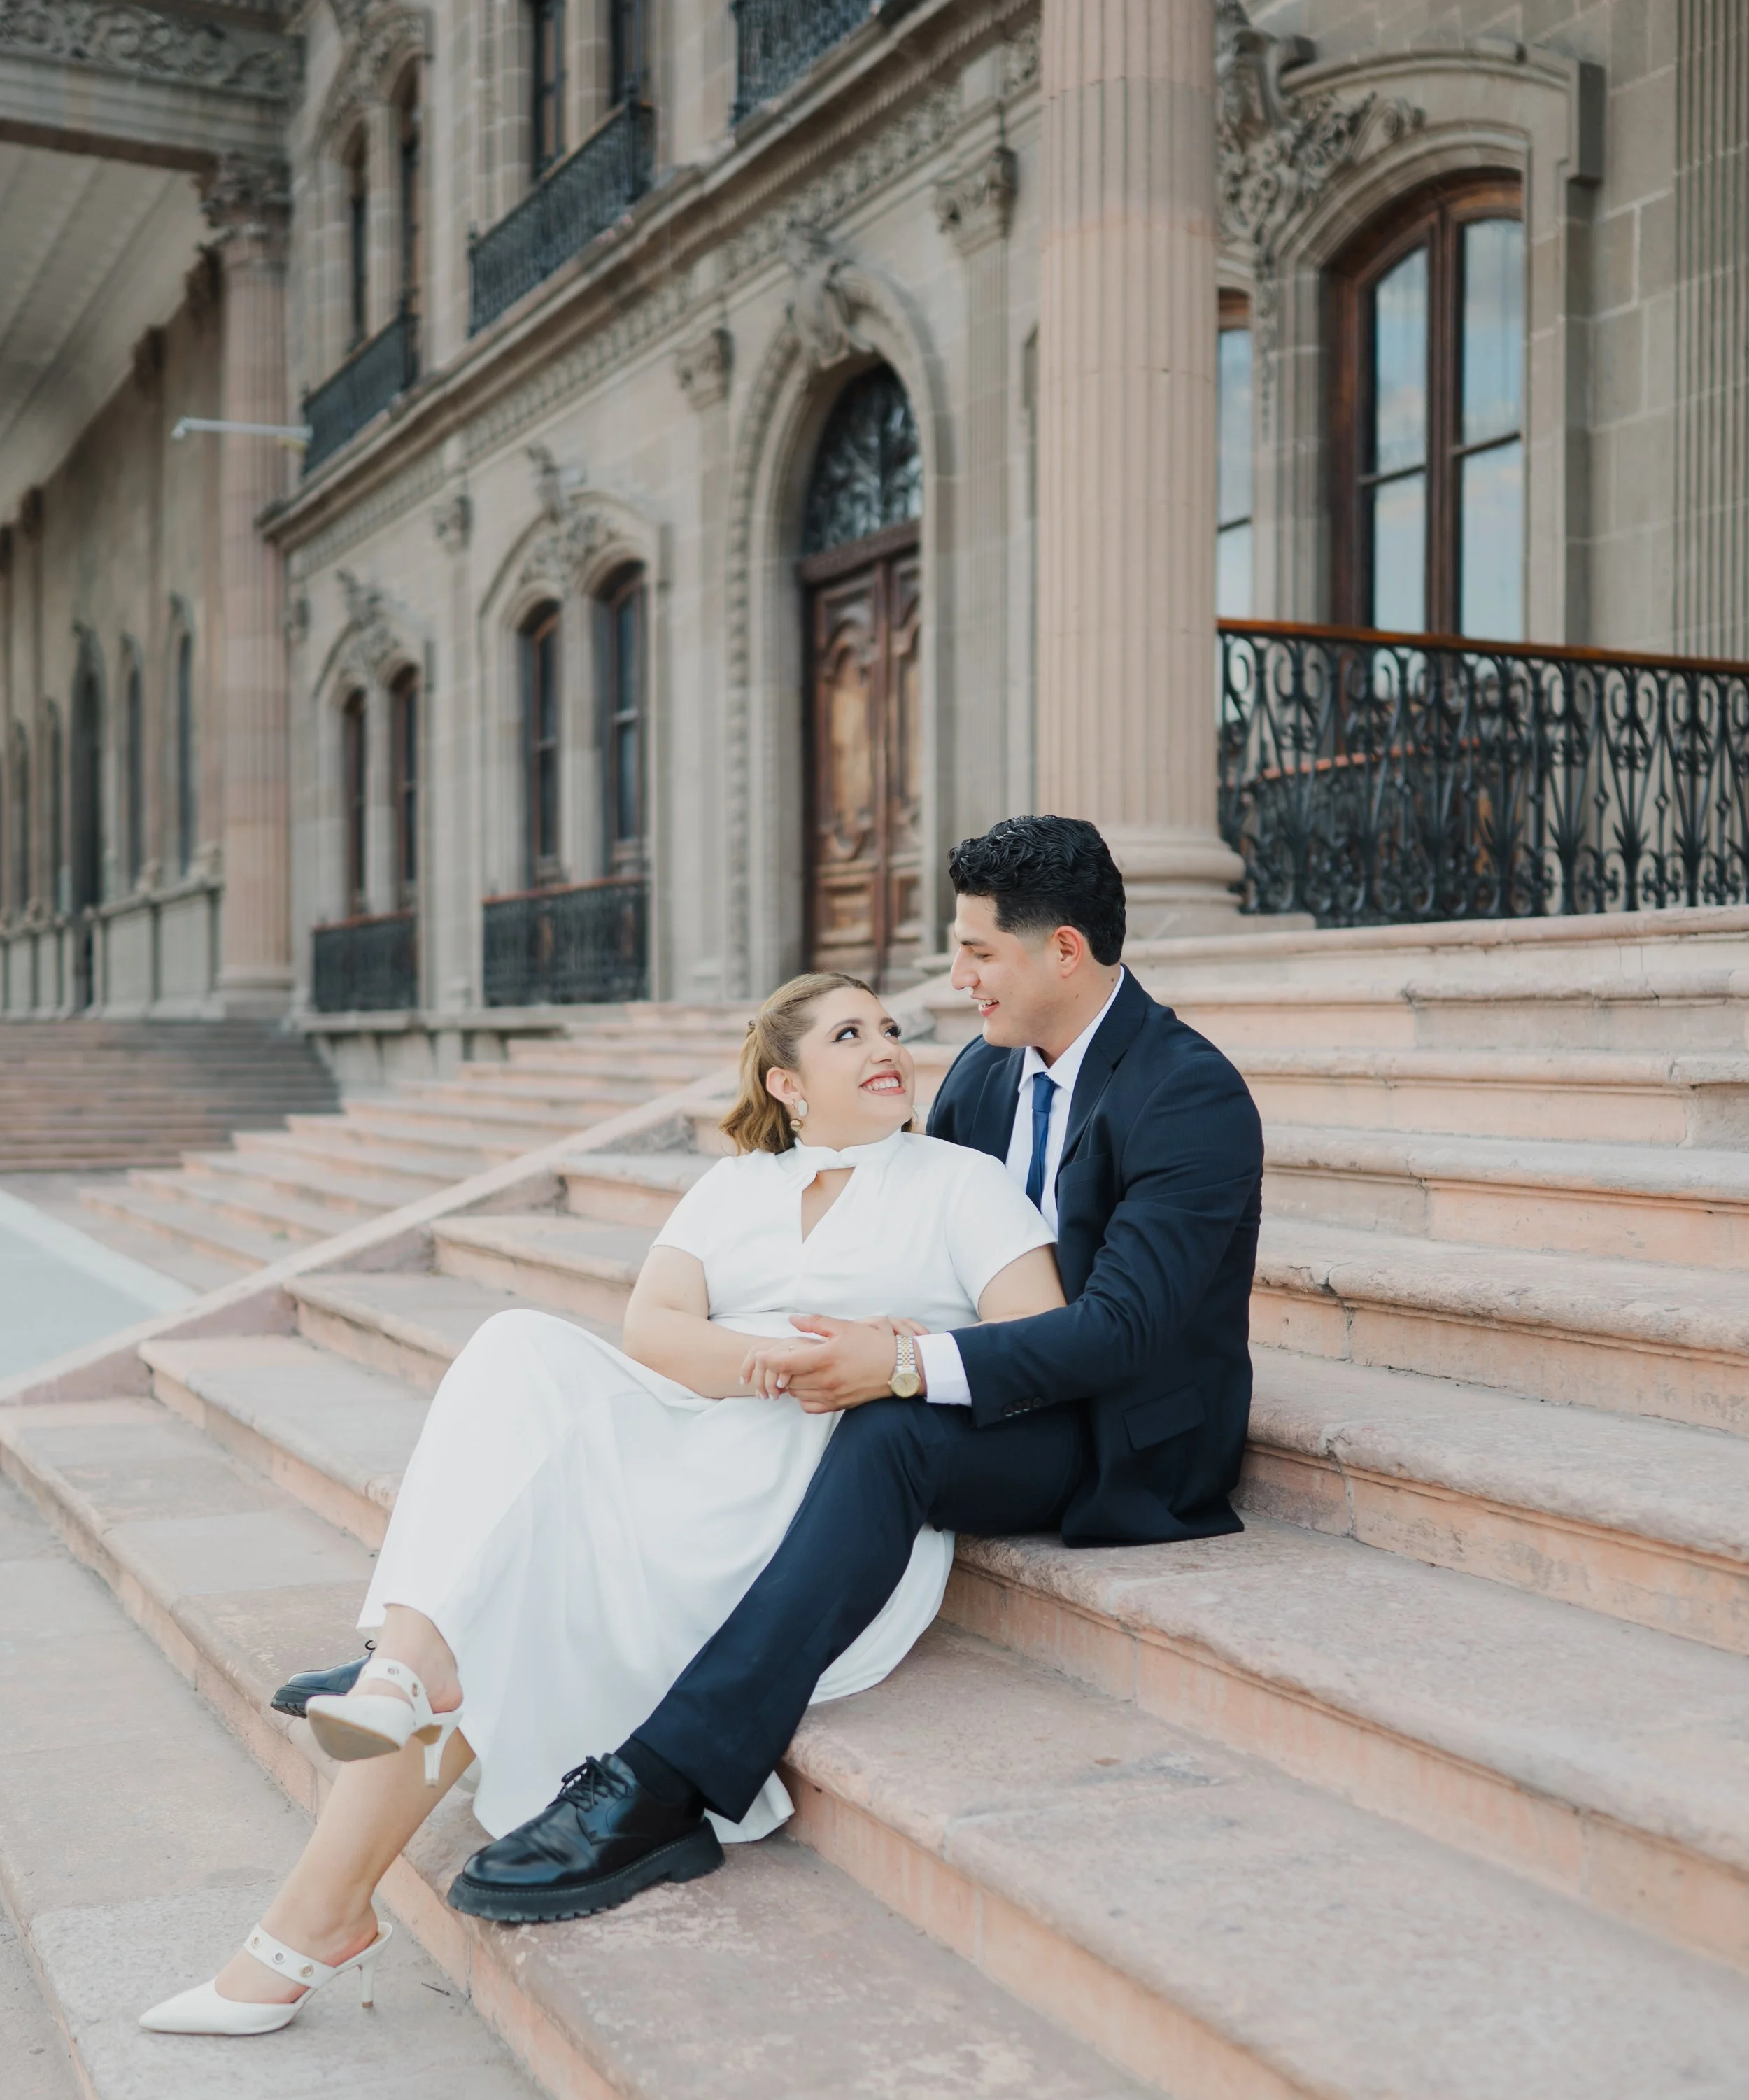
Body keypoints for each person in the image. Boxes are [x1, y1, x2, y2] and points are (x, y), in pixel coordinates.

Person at [140, 970, 1065, 2032]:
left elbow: (1035, 1343)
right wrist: (763, 1356)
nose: (886, 1047)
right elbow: (653, 1329)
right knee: (514, 1345)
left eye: (890, 1029)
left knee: (504, 1594)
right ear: (787, 1082)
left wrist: (898, 1353)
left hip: (815, 1497)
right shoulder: (736, 1186)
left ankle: (329, 1865)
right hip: (697, 1437)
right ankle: (398, 1690)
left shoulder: (960, 1181)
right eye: (850, 1034)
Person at [436, 814, 1264, 1927]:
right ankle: (461, 1624)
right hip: (1003, 1383)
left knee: (889, 1423)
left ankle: (665, 1783)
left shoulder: (1187, 1092)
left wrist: (908, 1362)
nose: (957, 978)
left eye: (977, 951)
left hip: (1122, 1431)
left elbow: (1121, 1333)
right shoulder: (985, 1076)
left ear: (1063, 951)